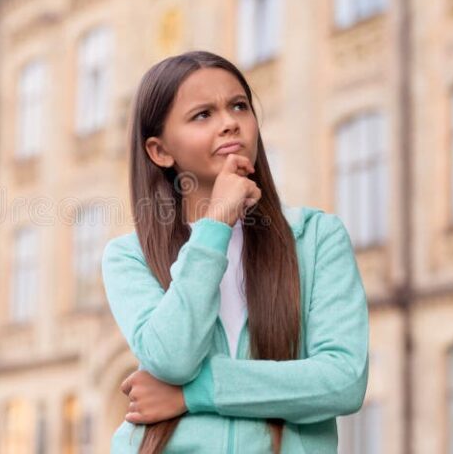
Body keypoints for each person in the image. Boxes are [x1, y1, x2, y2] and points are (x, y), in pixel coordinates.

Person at [101, 51, 369, 453]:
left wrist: (192, 394)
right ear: (160, 151)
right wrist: (215, 224)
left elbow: (342, 380)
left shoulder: (316, 238)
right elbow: (172, 357)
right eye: (202, 115)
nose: (229, 122)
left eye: (239, 106)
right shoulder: (129, 257)